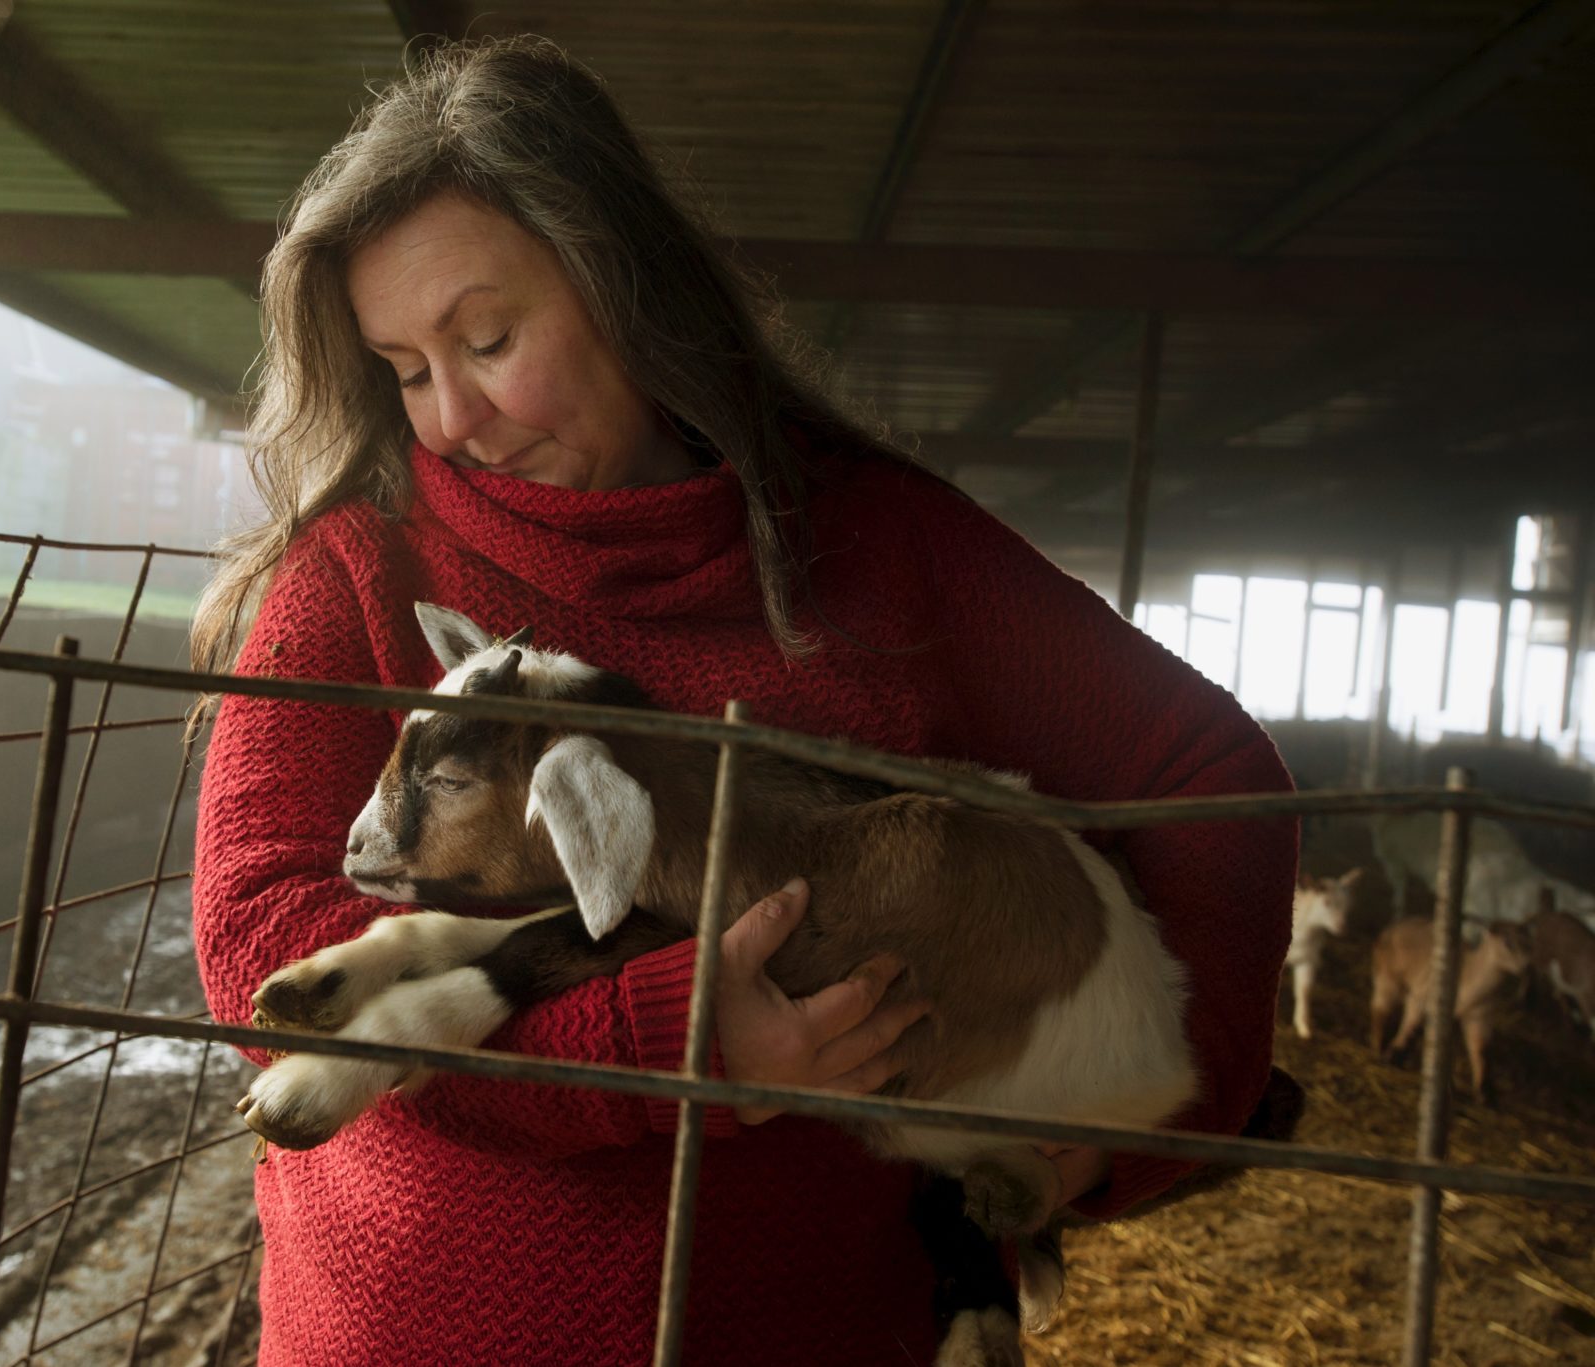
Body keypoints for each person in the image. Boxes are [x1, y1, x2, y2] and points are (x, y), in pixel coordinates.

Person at [190, 36, 1295, 1367]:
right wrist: (661, 1040)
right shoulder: (360, 570)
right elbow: (260, 935)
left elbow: (1208, 770)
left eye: (488, 339)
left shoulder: (882, 552)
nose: (451, 419)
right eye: (406, 369)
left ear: (625, 288)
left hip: (822, 1325)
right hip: (411, 1333)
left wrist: (1141, 1106)